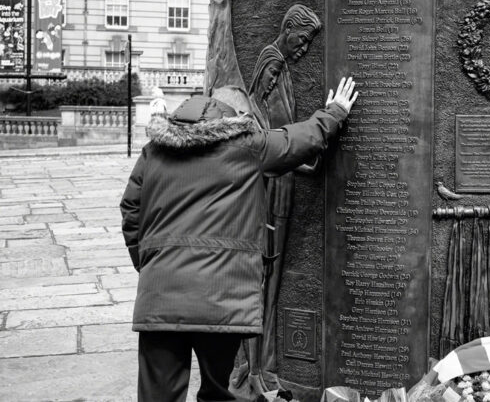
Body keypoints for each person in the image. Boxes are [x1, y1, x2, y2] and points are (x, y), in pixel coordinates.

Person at [120, 77, 358, 402]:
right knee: (218, 391)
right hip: (222, 295)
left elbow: (131, 208)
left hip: (160, 293)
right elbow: (297, 140)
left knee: (158, 396)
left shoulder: (153, 151)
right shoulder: (247, 146)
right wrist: (335, 112)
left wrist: (148, 263)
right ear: (233, 117)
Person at [237, 4, 322, 394]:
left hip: (283, 181)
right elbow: (266, 134)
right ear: (287, 29)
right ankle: (256, 366)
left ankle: (261, 363)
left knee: (269, 279)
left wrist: (302, 162)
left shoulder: (281, 67)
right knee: (264, 279)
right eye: (302, 40)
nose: (303, 49)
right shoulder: (271, 64)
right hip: (273, 192)